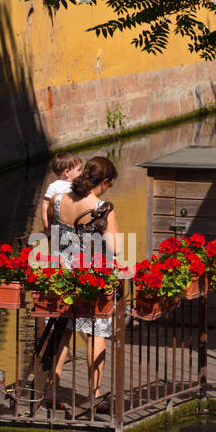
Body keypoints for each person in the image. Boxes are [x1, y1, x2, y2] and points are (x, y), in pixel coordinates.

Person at [47, 155, 123, 408]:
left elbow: (50, 231)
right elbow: (115, 248)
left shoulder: (58, 201)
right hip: (90, 280)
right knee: (93, 334)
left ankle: (51, 392)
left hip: (61, 275)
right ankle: (95, 395)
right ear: (105, 181)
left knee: (61, 332)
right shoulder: (102, 208)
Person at [40, 151, 83, 233]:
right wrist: (46, 224)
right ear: (67, 172)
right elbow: (45, 204)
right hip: (60, 224)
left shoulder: (77, 185)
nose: (81, 173)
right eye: (79, 170)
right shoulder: (54, 186)